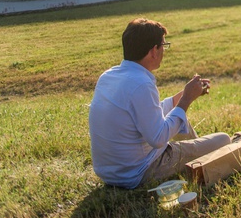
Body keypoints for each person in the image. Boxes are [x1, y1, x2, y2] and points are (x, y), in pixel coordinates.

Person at [88, 18, 231, 188]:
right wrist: (186, 100)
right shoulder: (141, 83)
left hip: (110, 172)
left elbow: (148, 114)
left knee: (179, 117)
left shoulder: (109, 76)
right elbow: (158, 138)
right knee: (223, 139)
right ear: (154, 51)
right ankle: (202, 157)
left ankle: (198, 153)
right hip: (139, 172)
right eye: (164, 45)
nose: (164, 50)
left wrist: (185, 95)